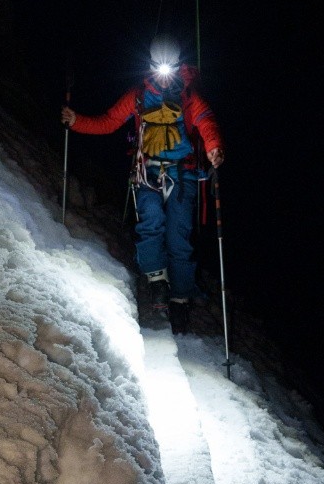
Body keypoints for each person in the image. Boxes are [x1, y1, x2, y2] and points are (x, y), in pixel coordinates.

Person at [61, 35, 225, 333]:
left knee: (179, 236)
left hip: (182, 173)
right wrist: (77, 122)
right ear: (150, 66)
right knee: (150, 224)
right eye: (159, 70)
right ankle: (157, 283)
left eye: (171, 70)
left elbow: (206, 121)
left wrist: (214, 147)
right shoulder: (138, 95)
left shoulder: (189, 96)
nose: (165, 79)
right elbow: (109, 121)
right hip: (146, 172)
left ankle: (180, 299)